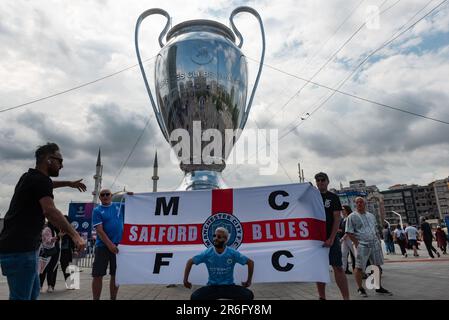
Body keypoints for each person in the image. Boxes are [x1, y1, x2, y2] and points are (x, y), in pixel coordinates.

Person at [0, 142, 86, 300]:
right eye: (60, 160)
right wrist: (75, 235)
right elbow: (50, 210)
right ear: (48, 159)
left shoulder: (28, 177)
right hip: (21, 251)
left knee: (32, 295)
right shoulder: (40, 181)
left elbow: (47, 185)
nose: (62, 165)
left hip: (22, 249)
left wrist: (68, 183)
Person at [183, 227, 254, 300]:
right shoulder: (208, 253)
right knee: (194, 297)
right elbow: (190, 262)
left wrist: (248, 281)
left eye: (219, 237)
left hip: (229, 287)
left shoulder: (232, 253)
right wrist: (185, 280)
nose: (215, 238)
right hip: (212, 287)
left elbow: (250, 262)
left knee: (248, 295)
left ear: (225, 239)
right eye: (214, 236)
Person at [345, 197, 392, 297]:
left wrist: (378, 240)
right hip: (362, 244)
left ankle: (378, 287)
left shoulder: (371, 216)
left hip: (374, 243)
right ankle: (360, 288)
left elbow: (375, 229)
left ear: (365, 203)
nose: (359, 204)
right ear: (355, 204)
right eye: (357, 202)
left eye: (361, 202)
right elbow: (349, 231)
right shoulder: (352, 216)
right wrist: (357, 243)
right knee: (359, 267)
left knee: (377, 265)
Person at [314, 172, 349, 300]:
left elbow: (337, 218)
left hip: (331, 238)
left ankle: (346, 297)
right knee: (319, 269)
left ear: (327, 181)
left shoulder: (333, 197)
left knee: (338, 267)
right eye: (317, 180)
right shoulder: (312, 196)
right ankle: (321, 297)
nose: (320, 182)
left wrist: (332, 238)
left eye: (323, 180)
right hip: (316, 240)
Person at [91, 189, 124, 300]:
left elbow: (135, 204)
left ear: (111, 196)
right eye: (102, 195)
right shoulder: (97, 210)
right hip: (103, 247)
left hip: (118, 246)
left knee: (116, 275)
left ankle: (113, 298)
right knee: (97, 275)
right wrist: (110, 244)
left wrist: (131, 195)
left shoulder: (119, 206)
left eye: (107, 194)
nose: (105, 196)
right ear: (100, 197)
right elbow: (99, 230)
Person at [39, 222, 60, 292]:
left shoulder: (55, 230)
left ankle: (49, 286)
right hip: (47, 251)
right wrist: (54, 238)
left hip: (53, 251)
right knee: (44, 269)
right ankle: (41, 286)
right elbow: (47, 240)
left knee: (51, 269)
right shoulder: (47, 229)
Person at [59, 216, 76, 288]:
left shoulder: (69, 230)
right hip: (57, 250)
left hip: (65, 251)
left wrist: (74, 249)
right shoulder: (58, 227)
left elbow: (72, 240)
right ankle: (51, 285)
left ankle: (70, 284)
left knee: (65, 267)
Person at [340, 205, 356, 275]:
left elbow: (349, 230)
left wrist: (342, 238)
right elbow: (343, 230)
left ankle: (362, 270)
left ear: (347, 209)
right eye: (341, 210)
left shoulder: (350, 217)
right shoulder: (343, 219)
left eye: (343, 209)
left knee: (356, 254)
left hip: (351, 238)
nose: (342, 211)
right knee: (343, 254)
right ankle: (343, 269)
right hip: (345, 239)